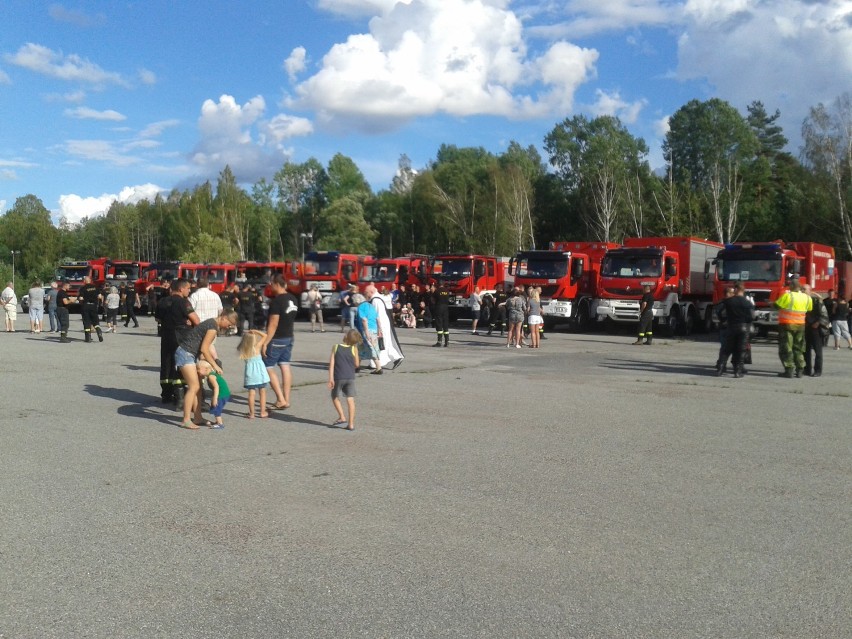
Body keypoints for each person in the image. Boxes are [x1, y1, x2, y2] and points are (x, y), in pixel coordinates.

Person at [176, 309, 237, 429]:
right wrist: (215, 365)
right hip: (185, 354)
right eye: (229, 324)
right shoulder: (212, 327)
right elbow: (204, 348)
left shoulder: (211, 324)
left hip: (190, 354)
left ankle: (197, 417)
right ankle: (186, 420)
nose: (228, 327)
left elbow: (203, 348)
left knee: (198, 388)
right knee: (194, 387)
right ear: (224, 317)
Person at [155, 279, 199, 404]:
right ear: (181, 289)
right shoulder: (184, 302)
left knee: (166, 364)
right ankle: (180, 396)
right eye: (188, 288)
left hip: (166, 336)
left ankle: (166, 394)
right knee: (181, 364)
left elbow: (158, 319)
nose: (189, 291)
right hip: (181, 336)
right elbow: (196, 320)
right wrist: (188, 322)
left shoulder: (162, 301)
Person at [261, 274, 299, 410]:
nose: (270, 287)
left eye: (271, 284)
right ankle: (286, 399)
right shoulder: (293, 299)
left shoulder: (276, 302)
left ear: (276, 284)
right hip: (289, 336)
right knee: (285, 365)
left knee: (267, 366)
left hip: (277, 338)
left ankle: (280, 399)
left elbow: (273, 324)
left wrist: (265, 342)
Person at [774, 279, 812, 378]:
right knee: (798, 348)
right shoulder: (807, 298)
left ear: (791, 286)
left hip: (787, 325)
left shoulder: (788, 296)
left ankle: (789, 370)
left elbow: (776, 305)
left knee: (787, 348)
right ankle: (800, 370)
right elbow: (809, 309)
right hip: (801, 326)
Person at [328, 329, 362, 431]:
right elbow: (357, 364)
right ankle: (351, 424)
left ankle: (342, 416)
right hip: (350, 377)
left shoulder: (336, 347)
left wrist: (330, 378)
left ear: (346, 337)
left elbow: (332, 364)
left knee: (334, 396)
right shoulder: (354, 348)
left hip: (338, 376)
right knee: (350, 399)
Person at [719, 283, 754, 378]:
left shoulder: (728, 301)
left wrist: (723, 321)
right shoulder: (747, 303)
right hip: (743, 328)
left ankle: (721, 368)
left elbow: (720, 312)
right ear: (743, 290)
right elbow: (751, 317)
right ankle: (737, 372)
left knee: (726, 349)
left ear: (736, 289)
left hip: (731, 327)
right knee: (740, 350)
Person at [370, 283, 404, 369]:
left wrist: (379, 327)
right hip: (388, 314)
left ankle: (394, 358)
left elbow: (377, 314)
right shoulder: (387, 296)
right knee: (385, 342)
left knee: (383, 343)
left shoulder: (377, 299)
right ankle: (374, 363)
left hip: (384, 317)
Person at [190, 278, 223, 364]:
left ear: (197, 285)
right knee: (210, 343)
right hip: (213, 324)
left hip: (199, 325)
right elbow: (220, 310)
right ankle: (215, 359)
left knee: (202, 347)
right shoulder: (215, 295)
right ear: (208, 284)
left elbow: (190, 310)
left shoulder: (194, 296)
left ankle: (205, 364)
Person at [238, 329, 270, 419]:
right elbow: (265, 336)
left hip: (250, 375)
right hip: (260, 373)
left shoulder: (243, 350)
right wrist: (255, 331)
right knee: (262, 392)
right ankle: (262, 412)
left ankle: (252, 413)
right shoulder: (257, 347)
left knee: (251, 394)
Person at [803, 284, 829, 377]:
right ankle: (807, 369)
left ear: (810, 291)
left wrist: (818, 323)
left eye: (805, 289)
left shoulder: (816, 301)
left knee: (818, 351)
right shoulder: (801, 301)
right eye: (802, 289)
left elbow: (824, 314)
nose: (803, 291)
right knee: (805, 351)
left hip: (816, 329)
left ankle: (818, 370)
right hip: (806, 328)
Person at [196, 360, 229, 429]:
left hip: (222, 394)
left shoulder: (211, 377)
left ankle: (220, 424)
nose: (197, 371)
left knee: (216, 408)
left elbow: (216, 387)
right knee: (216, 407)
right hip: (224, 393)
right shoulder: (212, 374)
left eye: (198, 369)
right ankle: (218, 422)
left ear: (206, 369)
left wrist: (215, 398)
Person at [357, 289, 383, 373]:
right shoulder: (370, 306)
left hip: (367, 330)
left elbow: (364, 320)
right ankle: (356, 366)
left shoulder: (360, 307)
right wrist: (380, 329)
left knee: (371, 348)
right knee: (361, 348)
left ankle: (378, 368)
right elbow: (378, 318)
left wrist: (366, 332)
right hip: (374, 329)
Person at [714, 286, 736, 374]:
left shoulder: (720, 303)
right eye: (732, 293)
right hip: (727, 327)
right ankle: (723, 365)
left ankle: (720, 364)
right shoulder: (729, 304)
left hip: (723, 327)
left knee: (724, 347)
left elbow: (718, 314)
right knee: (728, 347)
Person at [78, 275, 103, 343]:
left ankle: (88, 338)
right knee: (95, 321)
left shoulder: (83, 288)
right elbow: (100, 296)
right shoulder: (95, 287)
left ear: (85, 281)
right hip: (94, 306)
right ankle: (99, 331)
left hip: (85, 306)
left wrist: (81, 302)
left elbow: (81, 298)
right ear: (90, 281)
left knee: (86, 322)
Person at [432, 281, 451, 347]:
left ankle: (439, 342)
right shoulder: (447, 291)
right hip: (446, 308)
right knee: (445, 324)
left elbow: (433, 300)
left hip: (439, 308)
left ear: (438, 284)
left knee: (439, 324)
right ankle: (447, 341)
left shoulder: (437, 291)